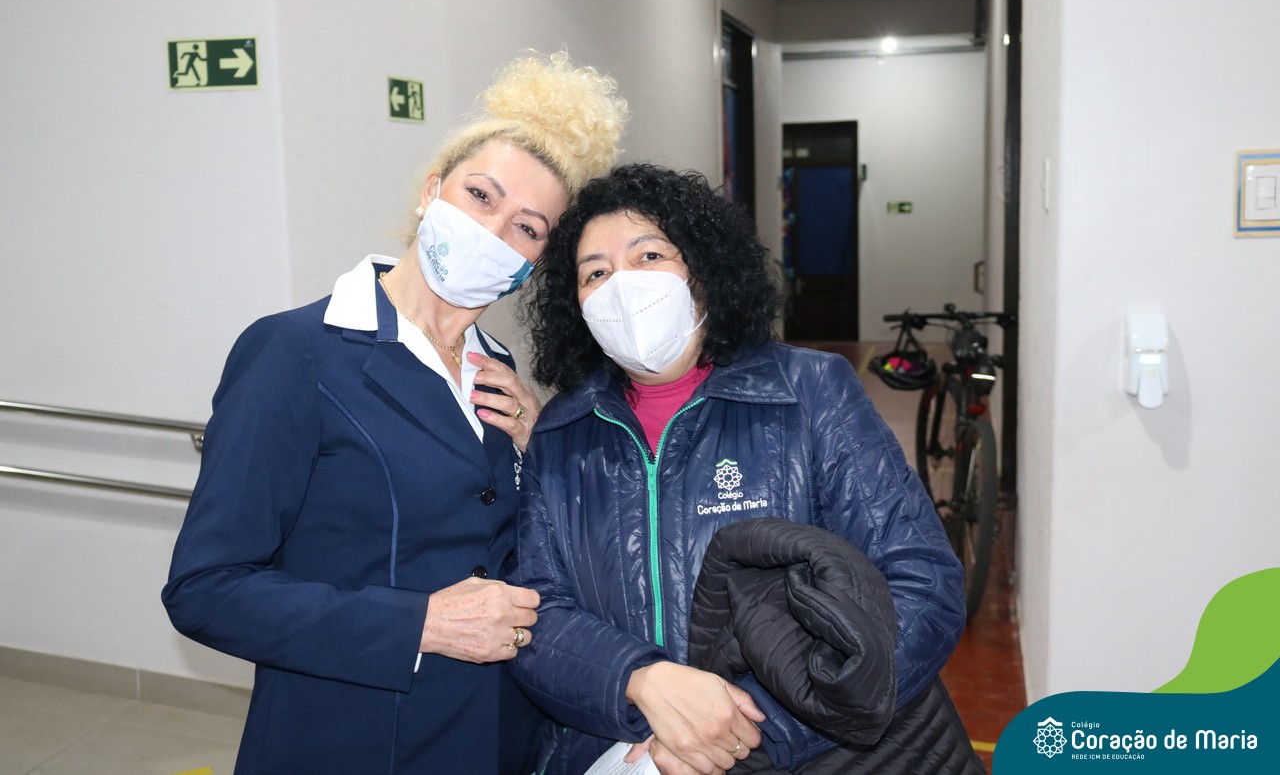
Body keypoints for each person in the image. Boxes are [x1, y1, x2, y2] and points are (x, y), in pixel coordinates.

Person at [162, 51, 628, 775]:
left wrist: (539, 450)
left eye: (527, 228)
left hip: (494, 739)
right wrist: (421, 623)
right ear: (431, 189)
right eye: (481, 196)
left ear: (538, 262)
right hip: (348, 741)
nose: (493, 231)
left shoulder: (500, 372)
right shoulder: (296, 352)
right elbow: (206, 589)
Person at [510, 164, 968, 775]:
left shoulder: (810, 391)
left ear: (704, 272)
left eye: (649, 256)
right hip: (626, 750)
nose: (622, 285)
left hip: (801, 752)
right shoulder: (562, 434)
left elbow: (924, 583)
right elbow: (537, 614)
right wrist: (638, 679)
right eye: (596, 273)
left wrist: (746, 733)